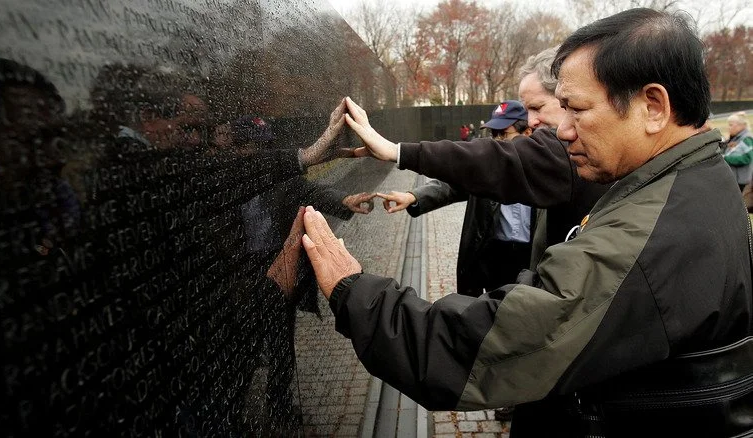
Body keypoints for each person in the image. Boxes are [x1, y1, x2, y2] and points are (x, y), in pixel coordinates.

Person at [302, 8, 753, 437]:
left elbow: (492, 347)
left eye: (576, 109)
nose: (562, 130)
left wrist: (353, 291)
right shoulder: (697, 178)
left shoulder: (654, 234)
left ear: (653, 106)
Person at [377, 100, 535, 297]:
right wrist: (413, 196)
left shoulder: (544, 171)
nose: (497, 141)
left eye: (504, 134)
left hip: (530, 258)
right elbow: (452, 184)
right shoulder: (486, 166)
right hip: (494, 254)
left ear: (527, 133)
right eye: (494, 135)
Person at [723, 111, 753, 191]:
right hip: (734, 178)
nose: (728, 127)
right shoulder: (736, 138)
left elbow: (747, 158)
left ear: (741, 125)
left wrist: (725, 158)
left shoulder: (747, 139)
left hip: (740, 180)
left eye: (731, 125)